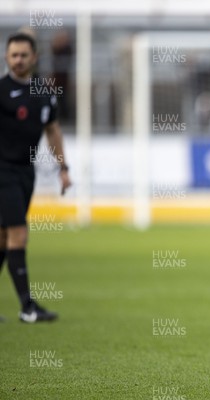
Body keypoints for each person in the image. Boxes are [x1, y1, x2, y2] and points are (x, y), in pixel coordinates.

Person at [0, 32, 71, 322]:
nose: (18, 60)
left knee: (4, 238)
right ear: (6, 57)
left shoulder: (44, 92)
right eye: (13, 55)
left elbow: (52, 130)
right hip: (2, 170)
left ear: (34, 58)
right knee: (19, 233)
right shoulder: (0, 90)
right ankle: (27, 308)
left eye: (23, 55)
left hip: (25, 172)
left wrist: (64, 168)